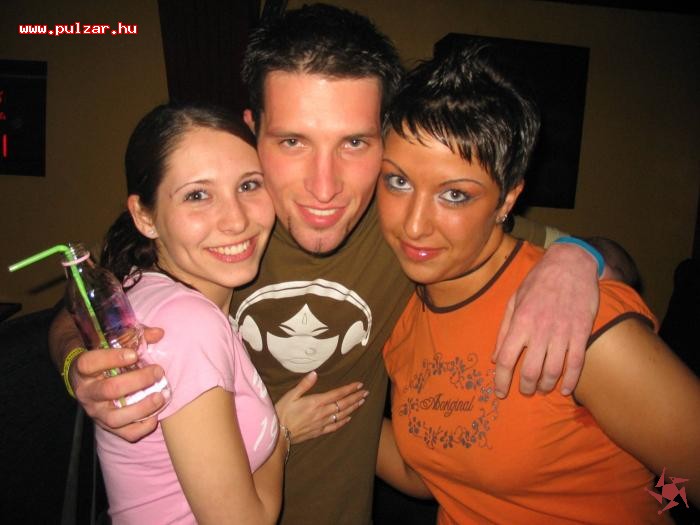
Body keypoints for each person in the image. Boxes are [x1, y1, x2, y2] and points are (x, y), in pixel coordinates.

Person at [49, 5, 604, 524]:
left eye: (354, 143)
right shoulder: (215, 237)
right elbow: (74, 311)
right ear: (252, 130)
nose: (324, 187)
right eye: (293, 141)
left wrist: (577, 261)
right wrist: (79, 365)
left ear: (385, 140)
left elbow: (589, 251)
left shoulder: (411, 232)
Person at [375, 41, 700, 524]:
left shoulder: (584, 322)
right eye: (398, 182)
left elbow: (686, 482)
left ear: (507, 200)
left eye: (455, 195)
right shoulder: (403, 315)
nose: (414, 225)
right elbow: (430, 474)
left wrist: (660, 501)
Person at [92, 103, 366, 524]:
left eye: (249, 185)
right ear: (144, 216)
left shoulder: (141, 286)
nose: (236, 220)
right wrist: (281, 434)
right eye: (197, 195)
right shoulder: (187, 323)